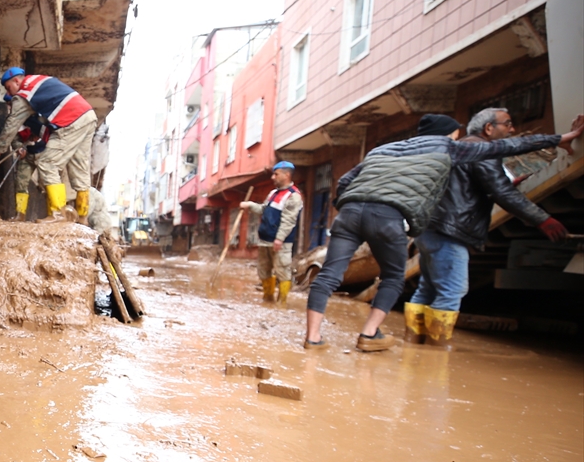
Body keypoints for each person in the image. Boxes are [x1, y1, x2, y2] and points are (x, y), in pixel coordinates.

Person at [305, 112, 583, 352]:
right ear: (449, 134)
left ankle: (313, 338)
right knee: (393, 277)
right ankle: (369, 335)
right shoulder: (449, 148)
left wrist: (347, 203)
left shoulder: (383, 150)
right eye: (456, 133)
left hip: (349, 214)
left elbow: (345, 180)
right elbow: (508, 146)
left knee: (329, 274)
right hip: (388, 218)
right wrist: (560, 138)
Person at [405, 108, 568, 348]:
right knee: (452, 290)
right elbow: (502, 192)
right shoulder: (480, 151)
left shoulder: (459, 149)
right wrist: (542, 219)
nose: (512, 129)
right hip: (450, 231)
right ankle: (436, 350)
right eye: (507, 124)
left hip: (429, 229)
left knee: (427, 288)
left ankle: (412, 343)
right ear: (489, 128)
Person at [0, 67, 97, 218]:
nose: (9, 94)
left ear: (16, 81)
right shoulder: (39, 81)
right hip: (87, 115)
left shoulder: (23, 94)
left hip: (71, 121)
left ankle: (58, 217)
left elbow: (10, 126)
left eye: (9, 88)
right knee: (79, 166)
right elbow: (48, 119)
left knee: (47, 164)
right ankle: (82, 218)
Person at [240, 161, 303, 305]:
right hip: (265, 240)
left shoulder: (293, 196)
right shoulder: (273, 193)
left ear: (286, 175)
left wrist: (279, 238)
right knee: (263, 270)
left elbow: (289, 220)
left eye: (276, 174)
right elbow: (263, 209)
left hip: (280, 242)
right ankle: (268, 299)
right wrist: (249, 205)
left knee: (282, 271)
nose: (273, 177)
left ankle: (282, 302)